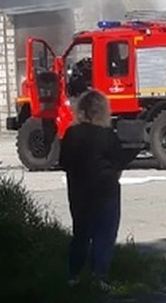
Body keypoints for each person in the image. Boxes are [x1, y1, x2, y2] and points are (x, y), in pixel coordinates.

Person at [60, 90, 129, 289]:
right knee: (104, 234)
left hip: (79, 191)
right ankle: (99, 277)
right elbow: (118, 164)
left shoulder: (71, 134)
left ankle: (73, 276)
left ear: (81, 110)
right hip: (105, 189)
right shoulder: (108, 135)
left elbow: (64, 162)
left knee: (81, 233)